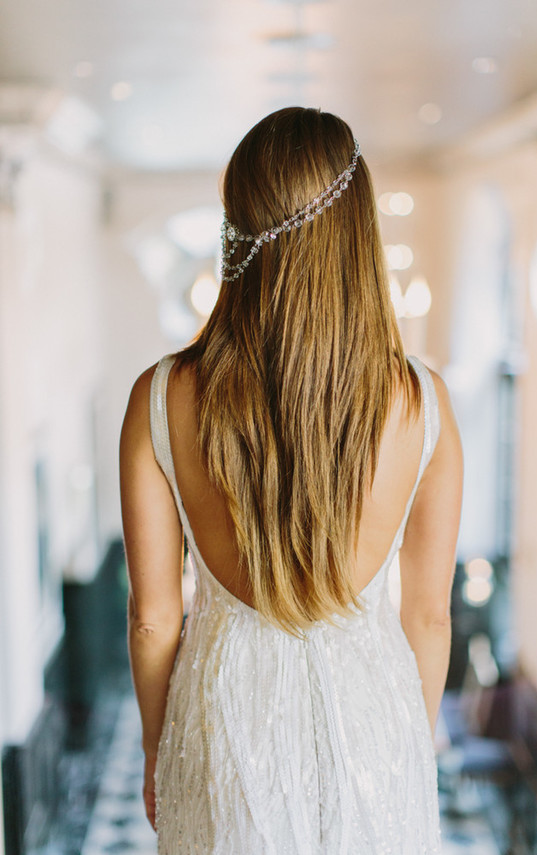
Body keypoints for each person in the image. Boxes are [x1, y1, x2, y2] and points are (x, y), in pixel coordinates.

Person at [120, 106, 463, 854]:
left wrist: (156, 745)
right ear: (356, 238)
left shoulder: (161, 395)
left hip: (223, 723)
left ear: (235, 229)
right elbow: (430, 617)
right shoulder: (422, 403)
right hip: (375, 719)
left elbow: (153, 620)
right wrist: (409, 739)